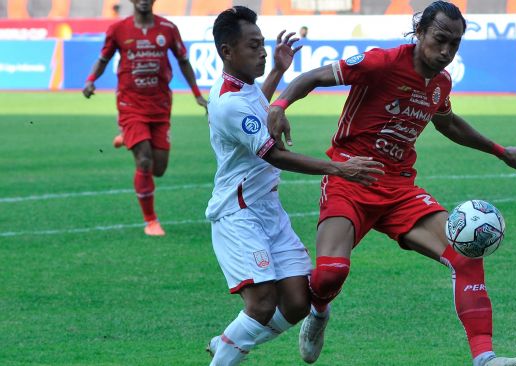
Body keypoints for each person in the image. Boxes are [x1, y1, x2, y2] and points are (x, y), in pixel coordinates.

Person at [267, 1, 516, 365]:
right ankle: (318, 312)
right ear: (421, 32)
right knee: (331, 273)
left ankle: (485, 358)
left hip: (399, 190)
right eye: (440, 39)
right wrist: (279, 105)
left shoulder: (440, 84)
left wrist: (499, 150)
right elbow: (313, 77)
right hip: (350, 176)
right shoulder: (381, 62)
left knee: (466, 254)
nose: (446, 51)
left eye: (454, 44)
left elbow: (448, 123)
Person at [203, 7, 384, 366]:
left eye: (262, 44)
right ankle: (224, 354)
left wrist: (277, 72)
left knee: (299, 301)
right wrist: (339, 168)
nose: (263, 51)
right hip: (239, 214)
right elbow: (276, 156)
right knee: (261, 304)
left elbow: (258, 107)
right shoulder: (228, 103)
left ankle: (228, 341)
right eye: (253, 46)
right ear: (227, 51)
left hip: (267, 209)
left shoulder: (243, 89)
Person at [82, 0, 207, 236]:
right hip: (131, 105)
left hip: (160, 105)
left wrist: (197, 95)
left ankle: (128, 138)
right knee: (145, 162)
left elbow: (183, 61)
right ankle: (151, 221)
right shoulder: (118, 29)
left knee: (159, 169)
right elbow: (104, 59)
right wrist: (90, 79)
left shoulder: (168, 29)